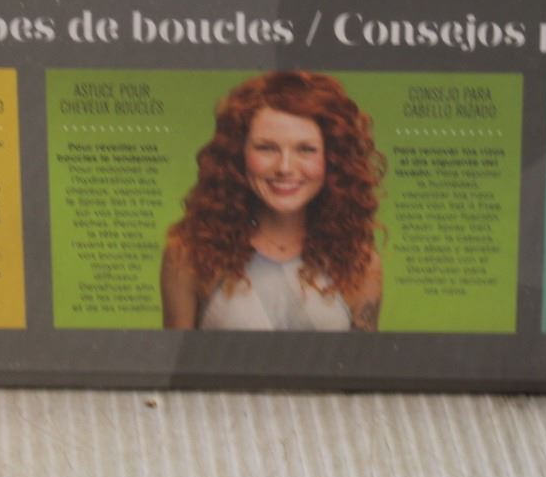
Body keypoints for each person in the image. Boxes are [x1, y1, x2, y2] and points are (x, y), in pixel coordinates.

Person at [161, 71, 384, 331]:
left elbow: (363, 358)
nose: (285, 168)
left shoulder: (361, 264)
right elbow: (175, 357)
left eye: (306, 149)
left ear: (333, 159)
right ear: (238, 154)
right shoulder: (189, 255)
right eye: (266, 148)